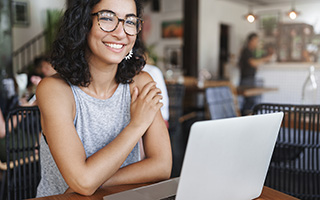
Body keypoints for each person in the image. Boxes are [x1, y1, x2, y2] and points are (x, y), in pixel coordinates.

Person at [36, 0, 172, 197]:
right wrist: (137, 125)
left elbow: (162, 166)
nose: (121, 32)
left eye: (131, 22)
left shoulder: (141, 83)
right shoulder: (55, 90)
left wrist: (97, 179)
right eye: (107, 18)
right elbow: (83, 183)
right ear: (83, 23)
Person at [238, 33, 273, 115]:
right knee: (249, 101)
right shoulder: (246, 51)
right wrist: (265, 59)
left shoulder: (251, 52)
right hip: (246, 80)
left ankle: (247, 118)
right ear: (251, 41)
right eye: (256, 41)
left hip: (250, 79)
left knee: (251, 101)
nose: (257, 43)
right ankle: (245, 118)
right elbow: (252, 63)